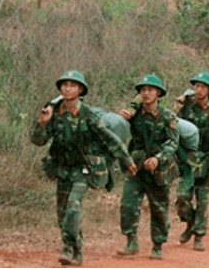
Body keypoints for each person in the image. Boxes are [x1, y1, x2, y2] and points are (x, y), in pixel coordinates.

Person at [31, 71, 135, 266]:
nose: (67, 88)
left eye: (72, 85)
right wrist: (42, 122)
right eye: (64, 84)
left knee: (73, 205)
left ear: (80, 90)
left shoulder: (88, 114)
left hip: (83, 168)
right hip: (62, 168)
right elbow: (38, 141)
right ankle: (77, 249)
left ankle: (67, 247)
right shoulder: (55, 112)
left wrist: (127, 161)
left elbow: (109, 138)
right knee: (62, 214)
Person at [118, 74, 179, 260]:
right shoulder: (135, 115)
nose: (146, 93)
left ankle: (157, 245)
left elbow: (173, 143)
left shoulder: (168, 116)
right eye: (143, 90)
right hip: (137, 168)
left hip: (158, 170)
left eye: (150, 90)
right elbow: (119, 133)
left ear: (158, 93)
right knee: (128, 204)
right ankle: (131, 241)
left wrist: (158, 159)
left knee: (159, 208)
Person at [173, 71, 209, 251]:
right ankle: (190, 222)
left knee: (203, 201)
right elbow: (174, 128)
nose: (198, 90)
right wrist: (177, 108)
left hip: (207, 161)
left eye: (203, 87)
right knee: (182, 198)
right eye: (196, 86)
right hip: (188, 162)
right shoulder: (187, 106)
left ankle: (199, 235)